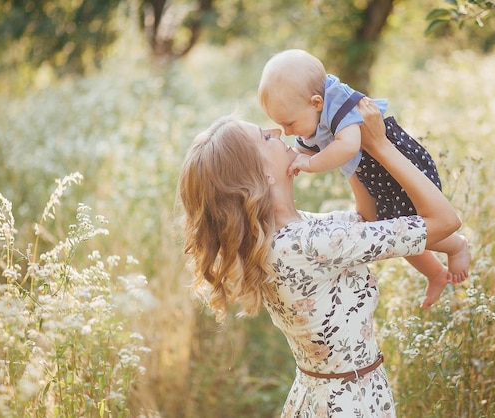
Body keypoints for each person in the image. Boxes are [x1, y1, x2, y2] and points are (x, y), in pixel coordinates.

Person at [178, 98, 463, 416]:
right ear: (262, 174)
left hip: (325, 397)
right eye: (266, 137)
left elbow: (368, 220)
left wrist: (344, 141)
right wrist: (380, 145)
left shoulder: (295, 232)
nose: (277, 131)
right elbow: (445, 221)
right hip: (349, 404)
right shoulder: (306, 244)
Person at [258, 49, 469, 308]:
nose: (286, 132)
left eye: (289, 124)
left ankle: (456, 246)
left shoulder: (338, 105)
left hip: (394, 165)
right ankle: (434, 272)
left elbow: (347, 148)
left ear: (315, 103)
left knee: (410, 222)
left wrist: (311, 164)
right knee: (391, 225)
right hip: (373, 169)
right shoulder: (309, 113)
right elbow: (305, 148)